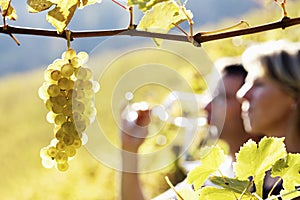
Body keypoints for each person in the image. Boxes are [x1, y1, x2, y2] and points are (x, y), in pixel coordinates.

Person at [120, 62, 258, 200]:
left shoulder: (270, 179)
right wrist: (129, 148)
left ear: (250, 104)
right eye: (212, 96)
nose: (207, 107)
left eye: (222, 98)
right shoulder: (212, 177)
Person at [237, 40, 300, 199]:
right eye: (246, 83)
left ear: (293, 94)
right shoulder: (254, 177)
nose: (242, 95)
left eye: (258, 84)